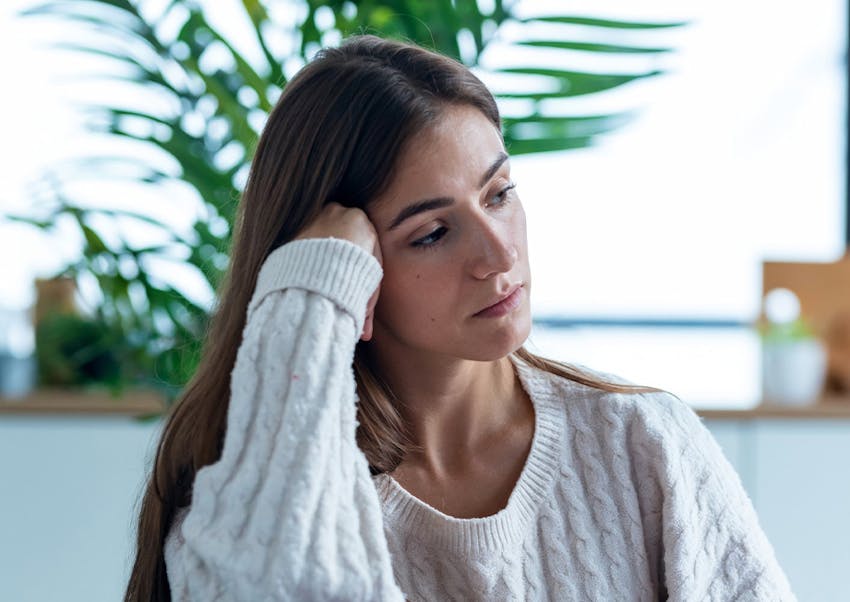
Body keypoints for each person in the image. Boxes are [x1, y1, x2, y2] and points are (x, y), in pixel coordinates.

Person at [125, 34, 795, 601]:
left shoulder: (644, 444)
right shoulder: (255, 494)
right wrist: (307, 299)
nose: (499, 252)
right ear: (345, 271)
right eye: (433, 233)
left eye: (500, 193)